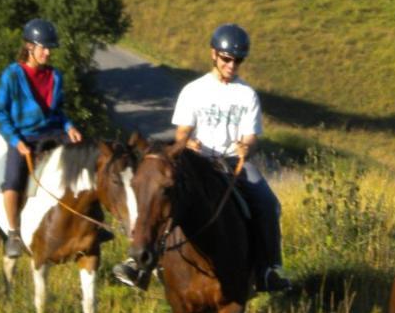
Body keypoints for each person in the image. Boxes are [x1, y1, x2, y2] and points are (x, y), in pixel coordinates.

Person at [113, 23, 291, 292]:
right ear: (214, 54)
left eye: (238, 60)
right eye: (227, 59)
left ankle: (268, 269)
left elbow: (251, 135)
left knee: (268, 203)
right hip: (196, 161)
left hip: (232, 162)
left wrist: (247, 146)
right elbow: (182, 131)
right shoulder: (193, 90)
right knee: (155, 195)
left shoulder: (247, 95)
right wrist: (188, 142)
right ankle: (138, 263)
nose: (232, 65)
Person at [0, 18, 83, 258]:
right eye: (44, 47)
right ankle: (13, 233)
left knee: (85, 165)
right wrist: (16, 141)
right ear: (29, 46)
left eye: (50, 47)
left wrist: (69, 126)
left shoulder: (56, 76)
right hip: (23, 137)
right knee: (13, 180)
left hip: (53, 133)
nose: (48, 52)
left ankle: (89, 223)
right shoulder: (12, 75)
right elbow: (0, 114)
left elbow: (59, 111)